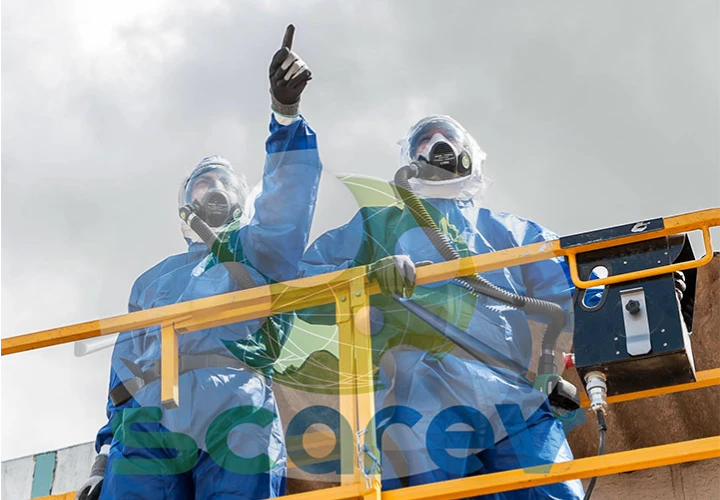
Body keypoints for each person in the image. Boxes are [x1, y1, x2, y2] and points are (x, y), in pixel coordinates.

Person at [76, 25, 319, 500]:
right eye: (202, 185)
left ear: (238, 200)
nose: (212, 191)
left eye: (222, 183)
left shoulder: (257, 249)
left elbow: (287, 203)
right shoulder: (152, 281)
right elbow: (123, 376)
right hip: (149, 416)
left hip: (234, 398)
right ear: (186, 202)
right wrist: (103, 459)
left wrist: (285, 117)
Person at [299, 115, 585, 499]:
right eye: (424, 140)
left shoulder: (512, 234)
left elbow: (567, 299)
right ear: (410, 160)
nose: (437, 145)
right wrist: (365, 273)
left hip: (513, 394)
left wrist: (551, 368)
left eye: (447, 138)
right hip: (417, 396)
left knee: (554, 492)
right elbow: (302, 290)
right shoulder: (377, 228)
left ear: (469, 154)